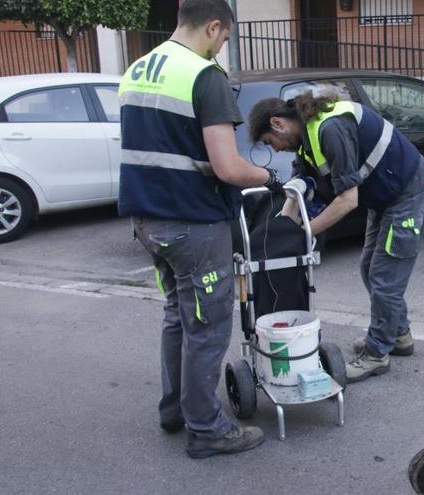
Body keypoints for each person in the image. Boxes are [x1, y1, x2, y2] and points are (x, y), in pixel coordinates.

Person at [118, 0, 289, 458]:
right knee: (208, 326)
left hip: (149, 221)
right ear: (214, 26)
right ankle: (207, 430)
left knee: (178, 314)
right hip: (194, 223)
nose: (222, 47)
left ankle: (175, 409)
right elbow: (228, 167)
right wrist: (268, 178)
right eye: (225, 38)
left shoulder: (138, 68)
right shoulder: (203, 75)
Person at [247, 93, 424, 384]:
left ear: (277, 123)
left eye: (272, 143)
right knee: (368, 269)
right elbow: (300, 183)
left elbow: (348, 200)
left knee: (385, 277)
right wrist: (281, 225)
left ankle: (376, 354)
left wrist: (302, 236)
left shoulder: (329, 128)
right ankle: (398, 335)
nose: (279, 150)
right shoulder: (308, 134)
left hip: (407, 194)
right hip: (384, 196)